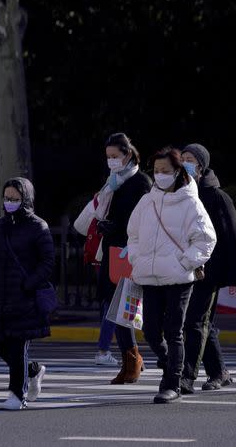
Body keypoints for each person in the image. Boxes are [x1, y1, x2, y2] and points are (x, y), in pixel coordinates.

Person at [126, 147, 216, 404]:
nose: (160, 175)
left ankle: (172, 383)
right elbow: (133, 234)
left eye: (165, 171)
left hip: (178, 278)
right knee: (151, 331)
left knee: (174, 330)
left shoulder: (191, 202)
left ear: (177, 172)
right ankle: (169, 363)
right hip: (149, 276)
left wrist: (183, 263)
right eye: (156, 171)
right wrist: (136, 257)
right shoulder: (147, 201)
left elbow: (206, 239)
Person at [179, 143, 236, 393]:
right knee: (203, 323)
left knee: (195, 322)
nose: (185, 162)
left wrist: (231, 275)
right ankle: (219, 372)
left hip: (208, 272)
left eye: (190, 159)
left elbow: (232, 238)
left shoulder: (216, 197)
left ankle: (187, 376)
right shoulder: (179, 194)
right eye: (182, 158)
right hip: (182, 269)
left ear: (201, 166)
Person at [0, 177, 55, 410]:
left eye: (15, 199)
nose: (10, 202)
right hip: (0, 295)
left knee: (17, 346)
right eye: (6, 198)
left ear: (25, 199)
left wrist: (29, 283)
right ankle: (34, 370)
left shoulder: (38, 226)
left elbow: (47, 262)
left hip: (24, 296)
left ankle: (17, 395)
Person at [93, 133, 152, 383]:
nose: (111, 162)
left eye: (115, 157)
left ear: (128, 154)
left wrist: (115, 226)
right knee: (116, 309)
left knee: (126, 309)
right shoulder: (114, 182)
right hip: (113, 252)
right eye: (108, 157)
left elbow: (140, 220)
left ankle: (137, 360)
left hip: (130, 252)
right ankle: (131, 359)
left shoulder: (141, 183)